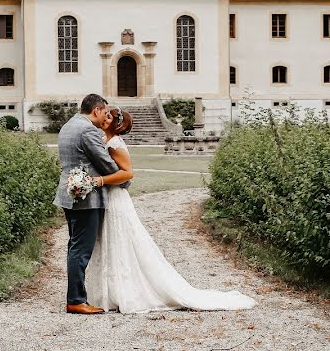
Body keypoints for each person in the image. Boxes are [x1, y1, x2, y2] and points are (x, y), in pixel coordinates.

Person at [87, 108, 257, 313]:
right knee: (113, 241)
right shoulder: (106, 141)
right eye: (105, 116)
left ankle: (125, 290)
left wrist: (100, 180)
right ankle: (113, 291)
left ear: (117, 124)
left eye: (109, 117)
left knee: (122, 241)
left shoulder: (114, 144)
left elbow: (128, 173)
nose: (104, 119)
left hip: (116, 198)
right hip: (110, 197)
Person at [53, 94, 132, 315]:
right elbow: (107, 164)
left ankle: (76, 297)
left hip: (69, 194)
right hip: (86, 198)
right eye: (104, 112)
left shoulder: (69, 125)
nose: (105, 117)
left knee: (74, 245)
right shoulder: (87, 130)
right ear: (96, 110)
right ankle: (76, 300)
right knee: (81, 248)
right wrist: (123, 178)